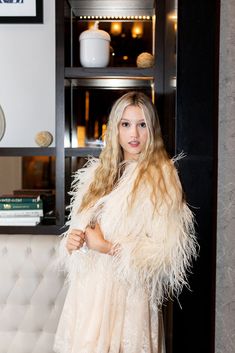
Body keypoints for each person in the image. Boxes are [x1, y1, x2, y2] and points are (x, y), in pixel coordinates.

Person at [53, 91, 198, 353]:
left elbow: (165, 252)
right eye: (126, 124)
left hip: (129, 300)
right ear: (115, 129)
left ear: (152, 129)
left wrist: (107, 247)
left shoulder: (162, 177)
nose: (134, 134)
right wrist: (76, 241)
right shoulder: (97, 175)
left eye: (142, 125)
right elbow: (83, 233)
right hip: (90, 296)